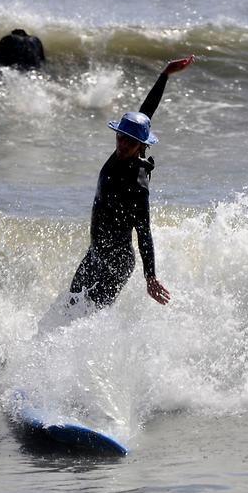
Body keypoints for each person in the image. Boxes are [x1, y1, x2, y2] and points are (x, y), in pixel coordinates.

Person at [69, 55, 195, 309]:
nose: (123, 144)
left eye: (130, 141)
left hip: (116, 263)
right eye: (121, 137)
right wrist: (164, 75)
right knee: (70, 307)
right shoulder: (121, 151)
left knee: (86, 316)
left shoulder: (137, 185)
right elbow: (146, 113)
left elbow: (145, 232)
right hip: (95, 253)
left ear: (141, 146)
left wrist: (150, 277)